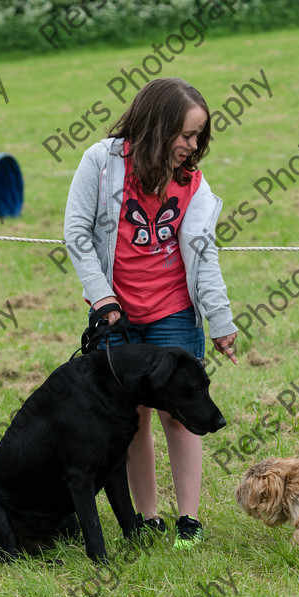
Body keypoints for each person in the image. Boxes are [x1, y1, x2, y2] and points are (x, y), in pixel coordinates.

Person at [64, 77, 237, 548]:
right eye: (185, 134)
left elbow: (205, 255)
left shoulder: (193, 184)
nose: (193, 145)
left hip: (174, 312)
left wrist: (220, 322)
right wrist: (102, 297)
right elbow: (76, 232)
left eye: (199, 135)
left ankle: (189, 521)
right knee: (131, 414)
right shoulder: (101, 162)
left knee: (178, 413)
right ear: (156, 126)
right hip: (116, 314)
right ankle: (148, 517)